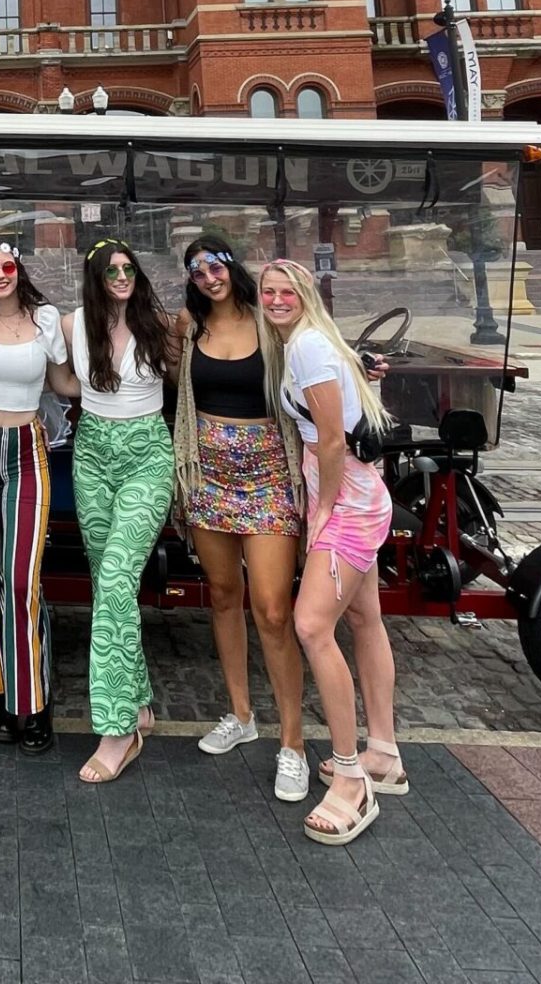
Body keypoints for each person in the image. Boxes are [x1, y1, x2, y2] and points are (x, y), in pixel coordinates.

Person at [169, 231, 313, 804]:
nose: (209, 277)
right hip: (208, 478)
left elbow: (318, 359)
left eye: (216, 265)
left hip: (270, 477)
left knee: (274, 610)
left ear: (232, 267)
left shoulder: (270, 322)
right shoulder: (188, 326)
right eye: (197, 270)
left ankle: (294, 745)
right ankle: (240, 713)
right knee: (223, 595)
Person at [259, 260, 398, 845]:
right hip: (352, 492)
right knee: (365, 617)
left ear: (306, 295)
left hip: (347, 501)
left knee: (312, 626)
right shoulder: (312, 343)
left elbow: (334, 438)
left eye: (287, 291)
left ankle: (348, 781)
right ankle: (384, 754)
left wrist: (323, 511)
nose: (276, 299)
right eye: (268, 291)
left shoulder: (309, 347)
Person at [59, 238, 177, 784]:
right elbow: (64, 382)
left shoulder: (163, 325)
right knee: (113, 584)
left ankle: (116, 728)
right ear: (95, 277)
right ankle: (140, 698)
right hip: (92, 455)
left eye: (130, 268)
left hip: (146, 455)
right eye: (112, 270)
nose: (123, 276)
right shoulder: (70, 325)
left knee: (112, 581)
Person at [0, 237, 71, 752]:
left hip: (26, 445)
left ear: (19, 270)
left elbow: (65, 381)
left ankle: (35, 699)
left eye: (7, 266)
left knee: (23, 577)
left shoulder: (46, 318)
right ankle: (2, 694)